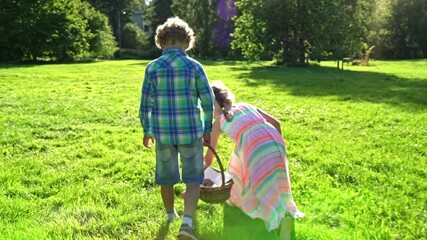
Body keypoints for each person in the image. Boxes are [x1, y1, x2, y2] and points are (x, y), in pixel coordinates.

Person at [139, 16, 214, 240]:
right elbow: (208, 100)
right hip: (191, 131)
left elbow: (145, 103)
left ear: (161, 42)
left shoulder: (152, 67)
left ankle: (170, 215)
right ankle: (187, 222)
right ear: (187, 42)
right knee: (193, 177)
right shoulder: (194, 66)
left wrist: (147, 129)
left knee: (166, 176)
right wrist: (207, 128)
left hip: (162, 132)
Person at [204, 81, 304, 240]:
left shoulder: (218, 122)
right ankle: (278, 210)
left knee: (260, 187)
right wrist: (274, 147)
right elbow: (276, 123)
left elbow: (210, 157)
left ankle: (277, 223)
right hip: (274, 141)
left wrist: (196, 177)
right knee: (272, 180)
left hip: (255, 146)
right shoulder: (245, 105)